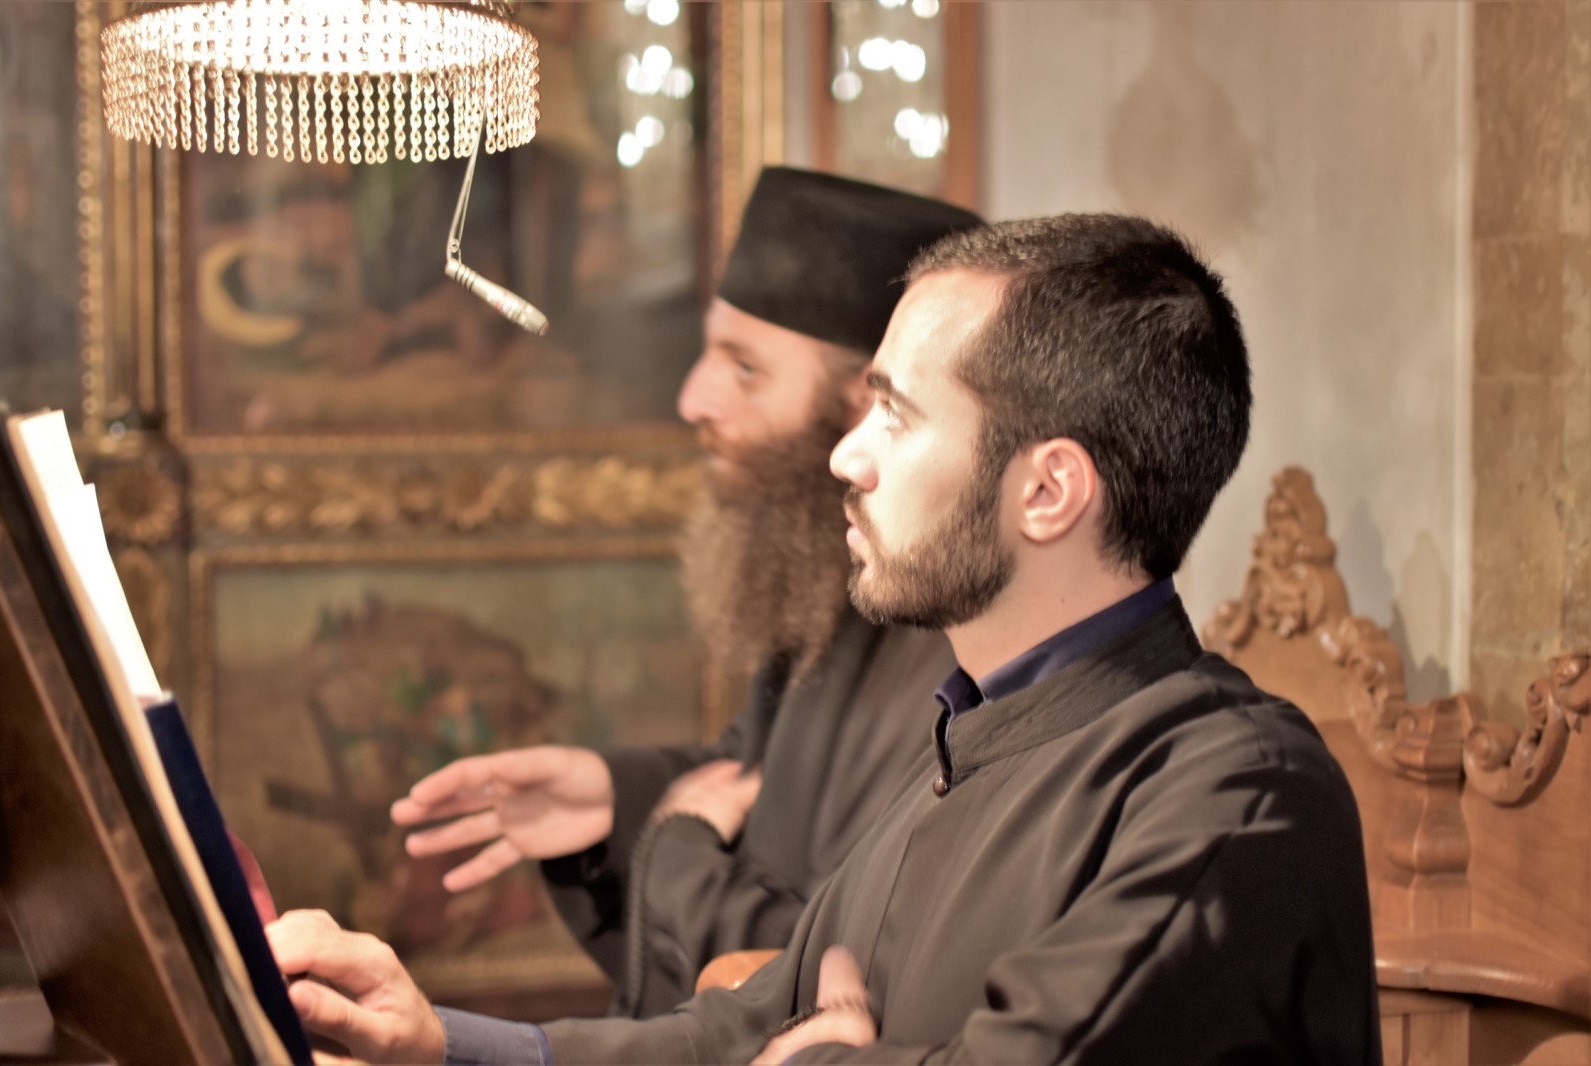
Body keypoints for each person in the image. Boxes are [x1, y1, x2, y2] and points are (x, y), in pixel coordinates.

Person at [269, 213, 1381, 1064]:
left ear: (1048, 491)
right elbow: (743, 1026)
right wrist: (443, 1044)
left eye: (895, 414)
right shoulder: (963, 736)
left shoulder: (1236, 791)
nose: (848, 458)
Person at [385, 168, 982, 1017]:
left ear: (868, 405)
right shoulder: (834, 577)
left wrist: (675, 846)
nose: (693, 397)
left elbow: (830, 975)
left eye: (744, 368)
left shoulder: (959, 654)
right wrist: (612, 796)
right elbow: (760, 784)